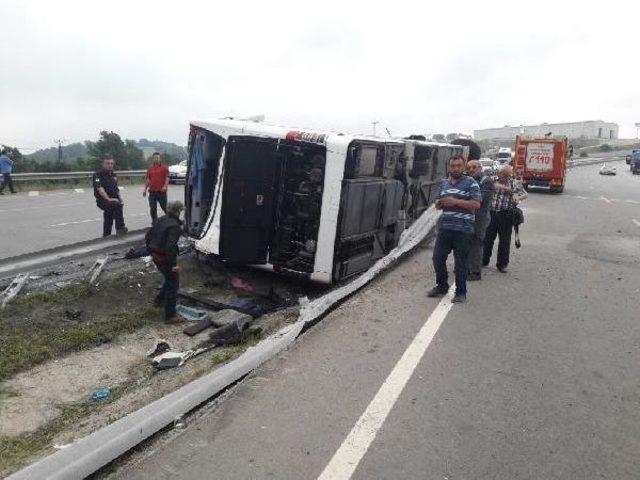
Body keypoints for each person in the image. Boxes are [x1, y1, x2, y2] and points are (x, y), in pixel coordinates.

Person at [427, 155, 481, 303]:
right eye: (452, 166)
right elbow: (438, 202)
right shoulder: (444, 183)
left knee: (460, 263)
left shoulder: (471, 183)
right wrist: (440, 203)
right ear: (449, 167)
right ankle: (442, 286)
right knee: (437, 258)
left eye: (458, 166)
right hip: (445, 228)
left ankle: (461, 292)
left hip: (463, 230)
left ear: (464, 167)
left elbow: (476, 204)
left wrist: (455, 201)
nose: (455, 168)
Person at [145, 201, 184, 324]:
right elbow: (170, 247)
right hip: (164, 257)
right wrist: (174, 265)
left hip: (156, 255)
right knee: (173, 283)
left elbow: (148, 235)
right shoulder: (174, 226)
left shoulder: (161, 219)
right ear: (177, 211)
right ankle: (170, 316)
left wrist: (150, 249)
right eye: (180, 211)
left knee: (169, 278)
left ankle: (159, 300)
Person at [483, 165, 527, 273]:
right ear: (499, 173)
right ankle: (483, 260)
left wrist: (518, 197)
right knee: (487, 239)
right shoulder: (492, 180)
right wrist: (507, 189)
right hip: (491, 213)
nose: (504, 177)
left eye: (507, 175)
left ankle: (502, 264)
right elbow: (493, 185)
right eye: (503, 174)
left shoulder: (514, 182)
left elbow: (525, 194)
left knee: (505, 241)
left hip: (505, 215)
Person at [466, 160, 495, 280]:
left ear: (480, 168)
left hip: (480, 217)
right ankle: (466, 267)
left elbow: (481, 200)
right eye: (469, 167)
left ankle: (475, 272)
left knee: (476, 242)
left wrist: (463, 199)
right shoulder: (468, 179)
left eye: (474, 167)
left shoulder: (486, 181)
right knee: (466, 241)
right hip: (469, 215)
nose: (472, 169)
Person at [93, 157, 128, 237]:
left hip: (113, 198)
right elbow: (100, 188)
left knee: (109, 215)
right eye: (107, 163)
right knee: (116, 205)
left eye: (111, 163)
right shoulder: (97, 175)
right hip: (103, 200)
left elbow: (116, 188)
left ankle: (106, 234)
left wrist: (119, 197)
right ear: (103, 164)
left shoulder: (113, 175)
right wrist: (108, 199)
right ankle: (120, 228)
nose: (110, 165)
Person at [143, 152, 169, 223]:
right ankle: (155, 222)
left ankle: (171, 219)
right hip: (152, 192)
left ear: (160, 159)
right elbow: (148, 179)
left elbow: (167, 178)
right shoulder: (150, 168)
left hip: (161, 192)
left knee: (164, 207)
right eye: (155, 158)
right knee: (153, 208)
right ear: (153, 159)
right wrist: (145, 189)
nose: (156, 159)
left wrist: (165, 186)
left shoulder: (164, 167)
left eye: (157, 158)